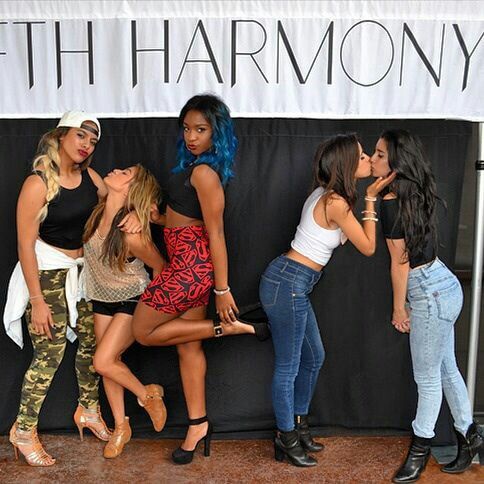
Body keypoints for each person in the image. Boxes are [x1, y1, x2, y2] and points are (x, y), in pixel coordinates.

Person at [132, 93, 269, 465]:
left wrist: (221, 290)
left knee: (143, 331)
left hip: (190, 269)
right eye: (187, 128)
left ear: (216, 133)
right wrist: (154, 217)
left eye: (201, 129)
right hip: (183, 260)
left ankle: (230, 328)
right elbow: (181, 219)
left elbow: (216, 235)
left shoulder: (205, 173)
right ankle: (198, 425)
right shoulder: (191, 167)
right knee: (188, 347)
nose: (191, 136)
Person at [259, 134, 395, 467]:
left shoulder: (330, 196)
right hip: (288, 282)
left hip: (294, 282)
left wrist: (363, 200)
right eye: (362, 157)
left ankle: (300, 426)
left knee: (314, 356)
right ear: (348, 164)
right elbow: (367, 246)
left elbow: (345, 238)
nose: (368, 161)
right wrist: (372, 199)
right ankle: (285, 438)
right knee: (288, 367)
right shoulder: (334, 201)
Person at [370, 129, 484, 483]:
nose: (372, 160)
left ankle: (420, 450)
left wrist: (398, 308)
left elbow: (399, 262)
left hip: (429, 296)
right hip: (445, 286)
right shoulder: (412, 191)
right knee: (447, 369)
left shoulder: (391, 200)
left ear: (395, 163)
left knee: (428, 379)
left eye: (378, 154)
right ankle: (470, 436)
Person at [3, 111, 114, 466]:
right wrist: (37, 300)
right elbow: (24, 245)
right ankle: (23, 429)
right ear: (62, 135)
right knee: (49, 354)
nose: (87, 145)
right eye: (81, 135)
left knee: (91, 343)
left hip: (81, 273)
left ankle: (89, 409)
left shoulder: (90, 177)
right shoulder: (37, 183)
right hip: (47, 273)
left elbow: (110, 200)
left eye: (93, 140)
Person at [83, 164, 167, 458]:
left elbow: (160, 267)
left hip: (132, 297)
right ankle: (121, 426)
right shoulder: (99, 210)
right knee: (111, 361)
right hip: (101, 296)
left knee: (102, 361)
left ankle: (147, 395)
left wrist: (154, 309)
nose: (116, 169)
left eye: (126, 172)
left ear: (130, 188)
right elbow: (84, 169)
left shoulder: (132, 233)